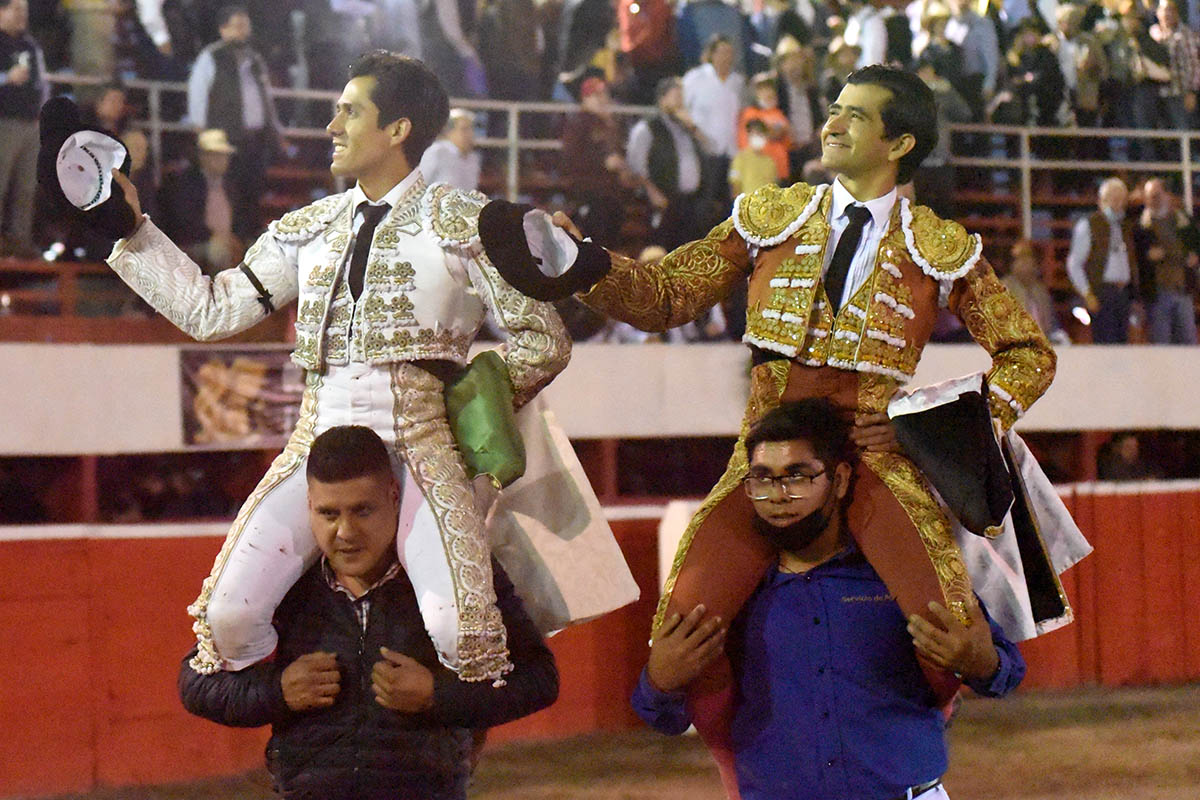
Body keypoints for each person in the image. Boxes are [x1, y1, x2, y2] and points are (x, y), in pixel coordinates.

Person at [527, 66, 1054, 775]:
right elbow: (665, 295)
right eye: (833, 108)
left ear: (898, 141)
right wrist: (583, 264)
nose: (831, 122)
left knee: (952, 632)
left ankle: (911, 749)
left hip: (873, 458)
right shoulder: (774, 215)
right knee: (679, 631)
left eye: (854, 116)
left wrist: (925, 426)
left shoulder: (942, 247)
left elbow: (1028, 353)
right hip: (766, 462)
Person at [107, 51, 571, 684]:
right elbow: (209, 310)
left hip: (422, 452)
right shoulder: (310, 228)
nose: (331, 127)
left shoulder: (466, 224)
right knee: (227, 619)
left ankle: (439, 758)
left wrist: (472, 411)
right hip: (314, 452)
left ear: (398, 130)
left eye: (350, 111)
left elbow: (542, 339)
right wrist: (132, 232)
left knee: (467, 635)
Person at [632, 399, 1025, 800]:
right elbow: (666, 719)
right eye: (762, 479)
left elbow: (1006, 671)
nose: (778, 495)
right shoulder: (734, 597)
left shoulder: (899, 575)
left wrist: (983, 663)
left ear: (838, 481)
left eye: (797, 476)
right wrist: (659, 683)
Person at [179, 425, 559, 800]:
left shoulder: (455, 574)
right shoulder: (283, 585)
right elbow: (197, 684)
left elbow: (539, 679)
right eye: (329, 513)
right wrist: (277, 691)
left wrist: (436, 696)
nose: (345, 532)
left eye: (362, 511)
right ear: (308, 506)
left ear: (394, 497)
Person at [187, 4, 283, 240]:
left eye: (244, 26)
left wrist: (275, 128)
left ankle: (251, 240)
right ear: (223, 29)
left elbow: (265, 97)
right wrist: (200, 128)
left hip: (255, 138)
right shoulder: (211, 56)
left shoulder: (255, 59)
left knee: (253, 192)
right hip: (226, 138)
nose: (242, 31)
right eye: (236, 26)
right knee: (231, 192)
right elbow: (197, 92)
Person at [626, 76, 709, 250]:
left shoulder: (687, 126)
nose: (680, 101)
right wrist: (652, 191)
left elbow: (710, 149)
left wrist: (693, 127)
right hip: (664, 199)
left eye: (682, 97)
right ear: (663, 98)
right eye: (676, 96)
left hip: (690, 201)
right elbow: (635, 164)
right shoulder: (648, 128)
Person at [156, 129, 244, 275]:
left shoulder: (231, 185)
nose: (222, 160)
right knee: (219, 252)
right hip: (197, 242)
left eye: (224, 156)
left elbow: (243, 218)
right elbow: (184, 222)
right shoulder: (185, 183)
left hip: (228, 240)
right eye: (216, 156)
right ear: (203, 157)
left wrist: (236, 237)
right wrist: (213, 237)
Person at [1065, 176, 1139, 343]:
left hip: (1124, 293)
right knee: (1106, 342)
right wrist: (1087, 293)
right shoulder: (1088, 225)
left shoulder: (1126, 227)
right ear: (1102, 200)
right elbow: (1074, 263)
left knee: (1123, 342)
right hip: (1102, 292)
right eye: (1113, 198)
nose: (1117, 203)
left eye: (1121, 199)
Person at [0, 0, 47, 256]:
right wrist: (6, 78)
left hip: (30, 123)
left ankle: (20, 241)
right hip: (4, 121)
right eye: (16, 10)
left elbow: (42, 81)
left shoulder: (30, 45)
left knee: (26, 187)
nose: (21, 16)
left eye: (24, 11)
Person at [682, 34, 746, 203]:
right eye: (722, 52)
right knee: (705, 200)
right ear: (712, 54)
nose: (726, 57)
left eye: (729, 53)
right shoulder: (695, 78)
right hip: (705, 150)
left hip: (731, 151)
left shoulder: (737, 82)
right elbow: (683, 109)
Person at [1134, 177, 1199, 344]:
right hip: (1157, 293)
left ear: (1166, 195)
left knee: (1188, 342)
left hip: (1182, 290)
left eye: (1156, 195)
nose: (1152, 200)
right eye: (1149, 196)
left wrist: (1189, 256)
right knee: (1161, 345)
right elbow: (1140, 259)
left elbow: (1195, 248)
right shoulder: (1141, 227)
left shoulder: (1183, 221)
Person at [1001, 239, 1064, 341]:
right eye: (1020, 260)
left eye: (1029, 259)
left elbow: (1052, 324)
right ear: (1012, 264)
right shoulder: (1002, 288)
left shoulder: (1041, 291)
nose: (1026, 264)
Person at [737, 73, 793, 182]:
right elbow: (759, 136)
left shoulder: (779, 114)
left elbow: (789, 138)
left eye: (769, 89)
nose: (767, 93)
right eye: (761, 90)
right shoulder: (750, 114)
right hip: (758, 172)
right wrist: (774, 132)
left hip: (781, 170)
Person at [418, 108, 482, 191]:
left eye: (471, 129)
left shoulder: (473, 159)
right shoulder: (436, 152)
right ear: (449, 132)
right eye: (464, 129)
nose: (470, 134)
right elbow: (418, 187)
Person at [728, 118, 778, 196]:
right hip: (747, 203)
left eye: (760, 134)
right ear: (748, 136)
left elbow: (774, 187)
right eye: (754, 134)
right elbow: (735, 185)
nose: (757, 137)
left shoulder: (770, 161)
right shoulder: (740, 158)